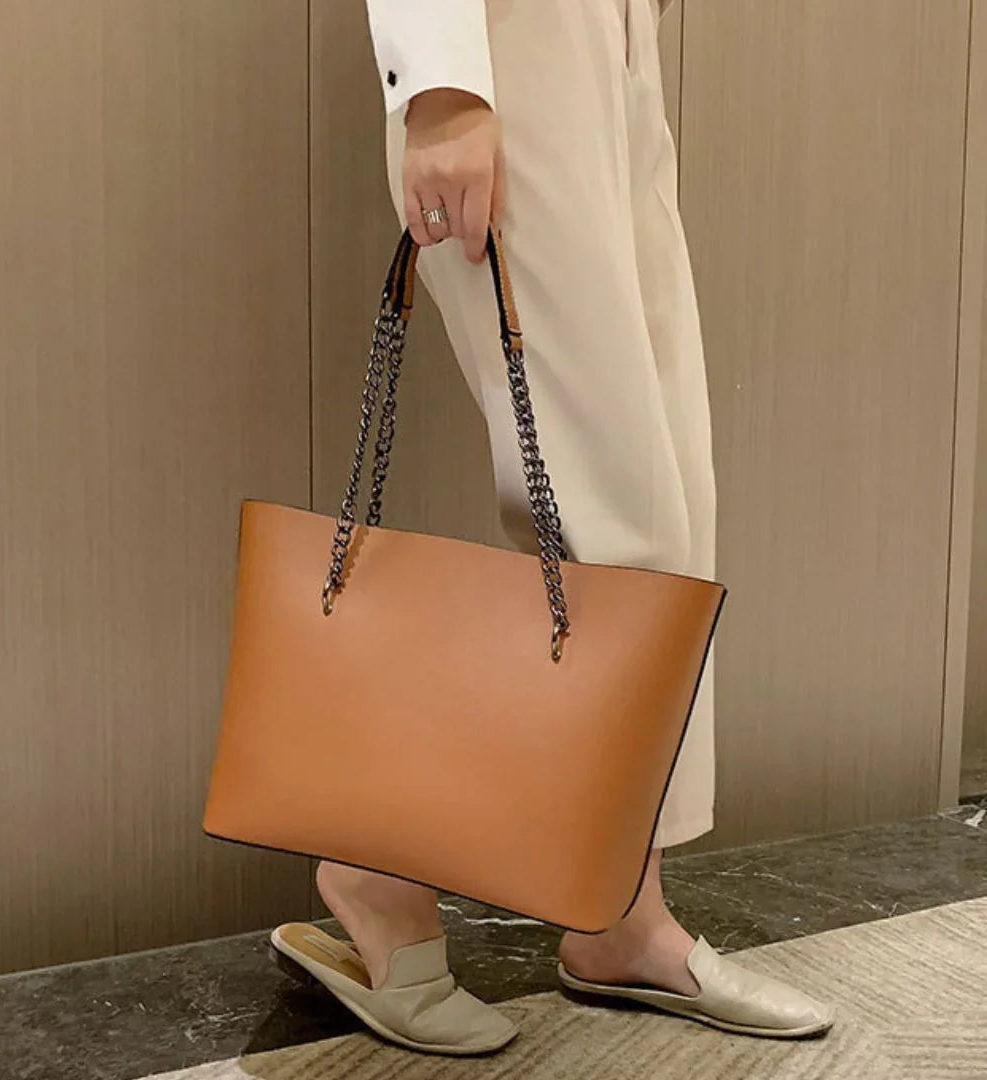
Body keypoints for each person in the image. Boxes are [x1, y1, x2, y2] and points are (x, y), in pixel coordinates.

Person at [270, 0, 835, 1055]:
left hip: (613, 36)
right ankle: (377, 859)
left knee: (668, 514)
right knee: (613, 524)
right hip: (509, 40)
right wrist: (441, 87)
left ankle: (619, 909)